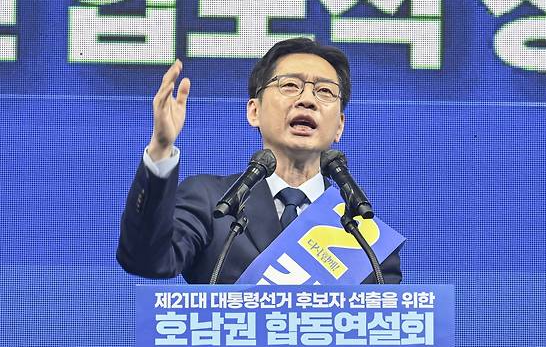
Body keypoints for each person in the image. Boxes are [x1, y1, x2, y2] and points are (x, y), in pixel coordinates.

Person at [116, 38, 401, 284]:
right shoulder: (213, 201)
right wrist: (161, 147)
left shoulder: (367, 239)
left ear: (339, 126)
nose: (307, 100)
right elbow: (146, 260)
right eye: (290, 85)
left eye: (325, 91)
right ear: (254, 111)